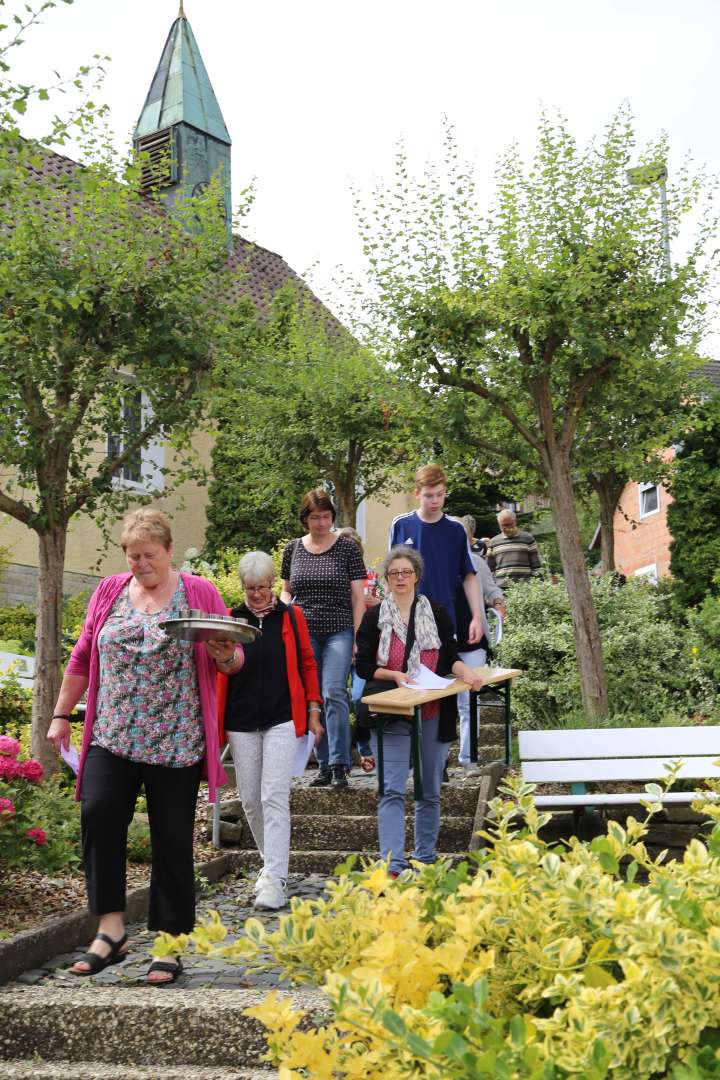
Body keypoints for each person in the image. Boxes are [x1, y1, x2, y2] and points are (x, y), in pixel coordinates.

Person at [46, 508, 239, 984]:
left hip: (175, 738)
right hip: (112, 733)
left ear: (170, 551)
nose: (140, 564)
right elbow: (83, 656)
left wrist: (224, 656)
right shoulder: (110, 590)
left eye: (149, 555)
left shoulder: (199, 591)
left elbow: (233, 657)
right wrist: (59, 714)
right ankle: (110, 931)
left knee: (172, 839)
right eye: (132, 556)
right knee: (99, 815)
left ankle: (170, 944)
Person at [355, 545, 485, 876]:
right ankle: (393, 866)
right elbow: (364, 667)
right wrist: (395, 675)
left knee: (429, 791)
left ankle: (425, 859)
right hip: (392, 712)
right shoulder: (374, 617)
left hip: (432, 711)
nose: (400, 578)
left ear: (417, 576)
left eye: (406, 572)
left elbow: (450, 656)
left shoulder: (437, 612)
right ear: (386, 578)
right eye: (394, 573)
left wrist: (466, 672)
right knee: (392, 789)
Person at [217, 551, 323, 911]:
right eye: (250, 589)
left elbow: (307, 663)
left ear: (272, 584)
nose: (257, 594)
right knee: (250, 798)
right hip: (241, 720)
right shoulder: (232, 619)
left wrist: (313, 709)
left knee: (274, 795)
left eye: (262, 587)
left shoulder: (290, 617)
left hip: (282, 718)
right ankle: (270, 864)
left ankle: (275, 878)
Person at [280, 489, 366, 789]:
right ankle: (323, 763)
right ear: (305, 519)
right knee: (311, 697)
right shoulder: (293, 549)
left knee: (334, 692)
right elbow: (287, 590)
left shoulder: (347, 549)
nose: (321, 523)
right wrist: (284, 606)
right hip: (303, 632)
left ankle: (341, 763)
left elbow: (359, 596)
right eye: (315, 517)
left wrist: (357, 635)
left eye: (326, 517)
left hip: (339, 629)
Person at [388, 464, 482, 642]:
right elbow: (390, 576)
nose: (435, 501)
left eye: (440, 494)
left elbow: (469, 576)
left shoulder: (457, 529)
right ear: (417, 493)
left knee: (446, 670)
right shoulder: (400, 525)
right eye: (429, 495)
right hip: (406, 617)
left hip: (444, 617)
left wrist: (476, 618)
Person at [454, 518, 506, 770]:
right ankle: (438, 761)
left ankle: (468, 758)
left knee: (468, 701)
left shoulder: (476, 562)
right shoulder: (431, 564)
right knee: (440, 703)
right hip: (443, 644)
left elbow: (491, 588)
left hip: (473, 642)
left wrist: (497, 602)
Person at [336, 526, 380, 773]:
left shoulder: (371, 575)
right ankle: (345, 755)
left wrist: (377, 603)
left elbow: (389, 606)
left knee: (360, 698)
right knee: (337, 698)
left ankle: (366, 750)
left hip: (366, 646)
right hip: (340, 641)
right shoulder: (332, 575)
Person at [487, 509, 542, 587]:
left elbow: (536, 566)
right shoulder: (493, 542)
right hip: (502, 588)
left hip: (525, 587)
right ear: (499, 525)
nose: (507, 528)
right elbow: (489, 569)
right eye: (503, 525)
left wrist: (537, 585)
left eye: (509, 524)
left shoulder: (528, 538)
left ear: (515, 521)